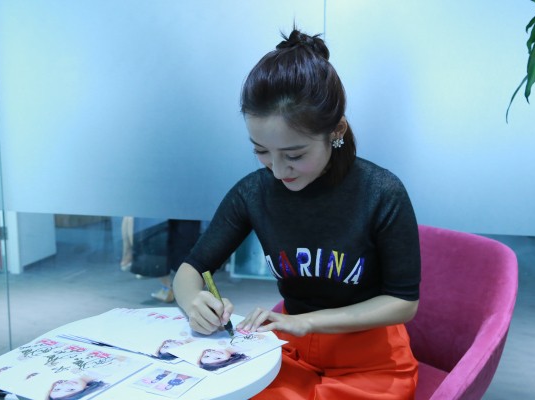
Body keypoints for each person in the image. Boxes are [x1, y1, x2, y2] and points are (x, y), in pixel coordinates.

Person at [173, 27, 421, 399]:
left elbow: (403, 302)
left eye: (294, 155)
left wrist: (306, 322)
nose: (277, 170)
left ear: (336, 131)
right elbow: (192, 269)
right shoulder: (254, 192)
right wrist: (194, 300)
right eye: (261, 151)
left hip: (371, 361)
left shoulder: (381, 192)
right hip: (287, 351)